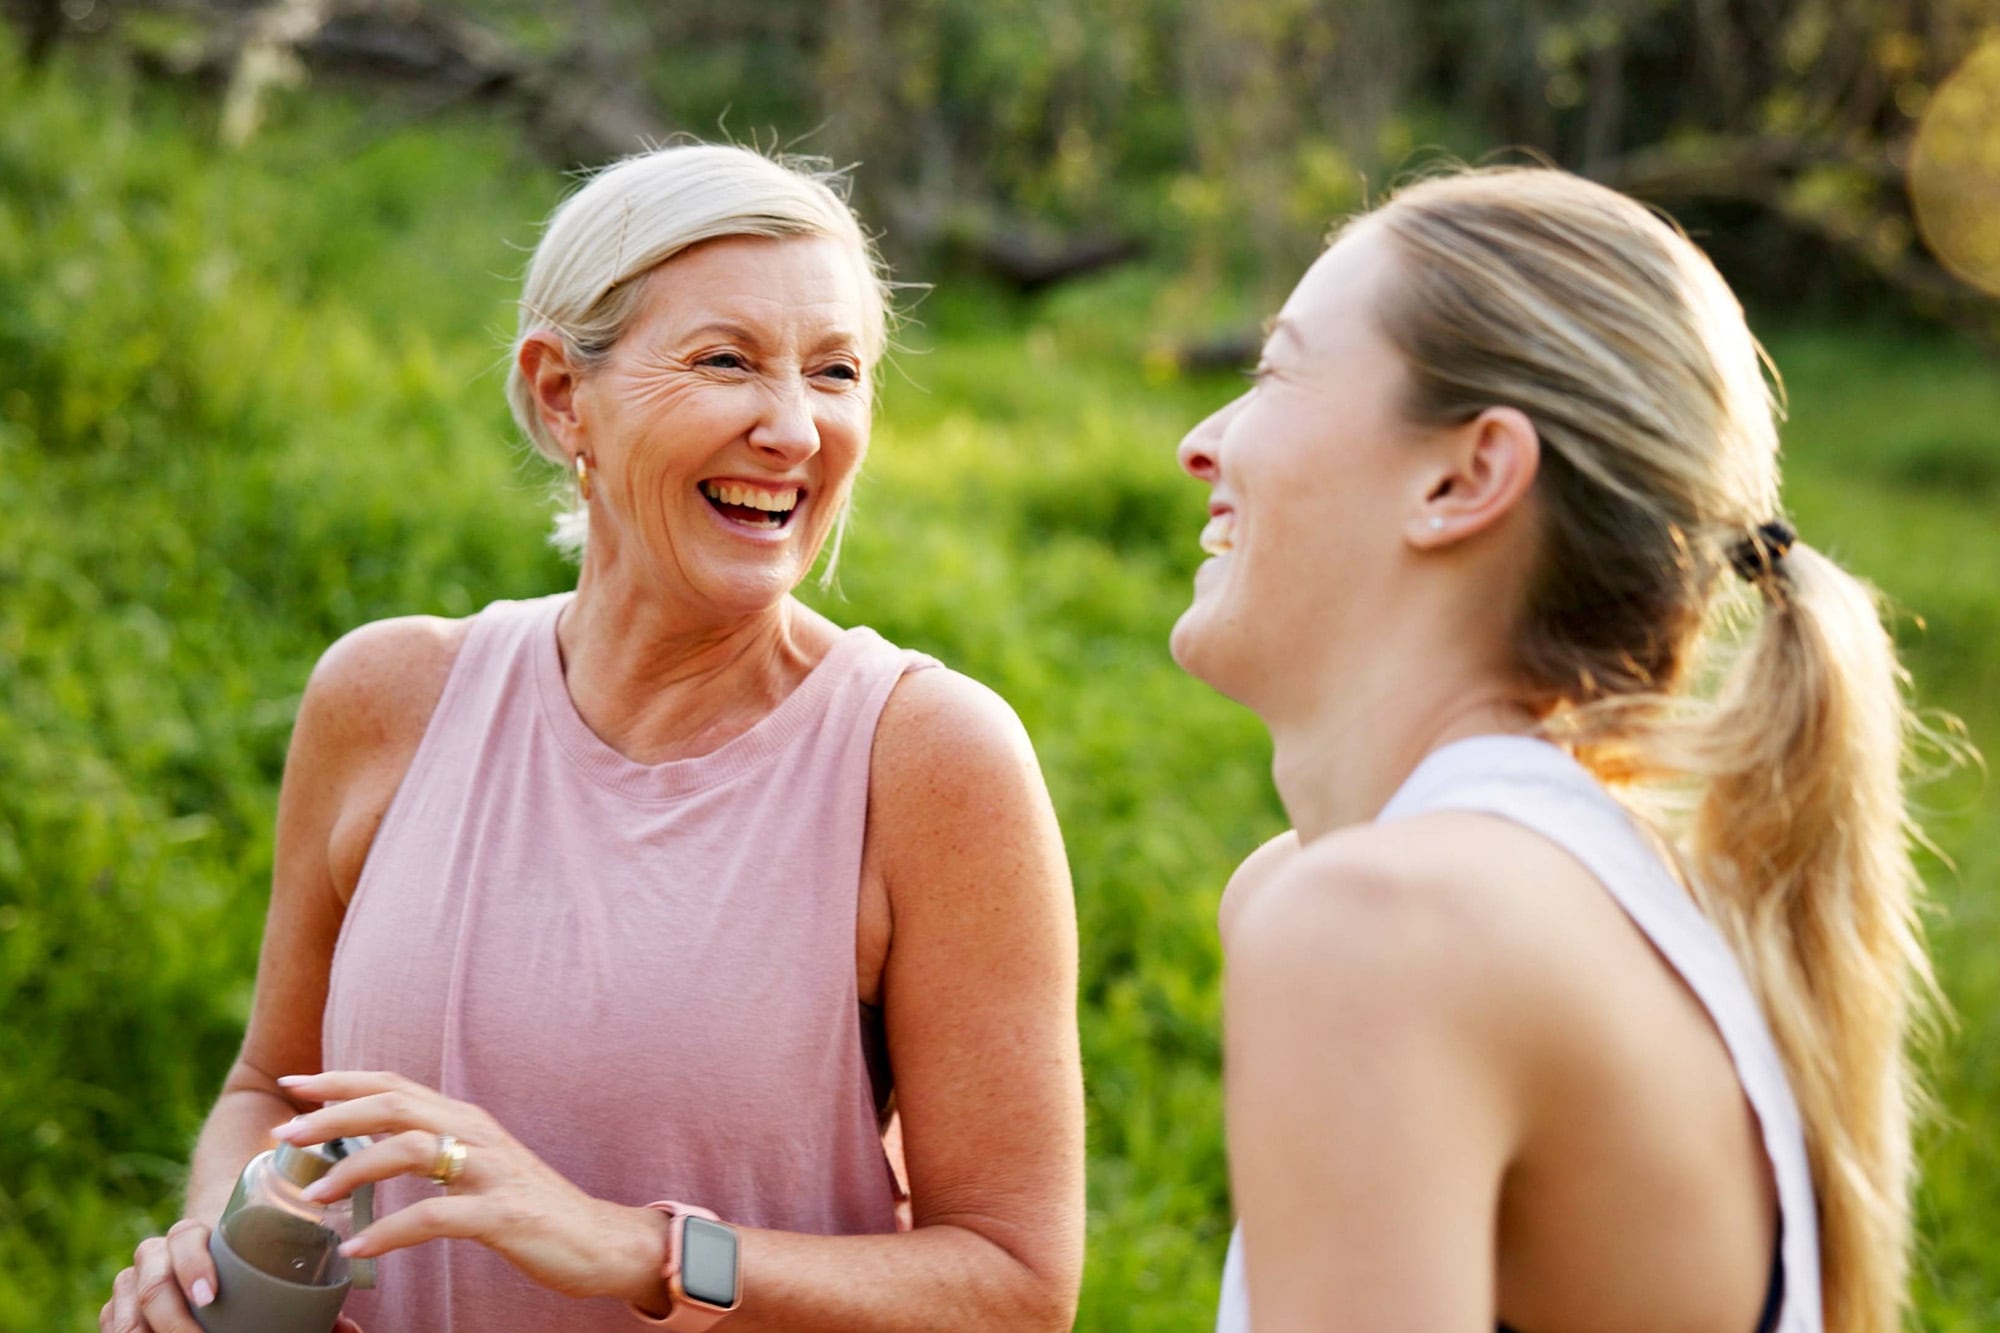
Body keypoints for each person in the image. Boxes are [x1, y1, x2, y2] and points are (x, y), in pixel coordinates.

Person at [102, 143, 1084, 1333]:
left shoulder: (926, 757)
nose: (793, 428)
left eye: (835, 372)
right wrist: (219, 1258)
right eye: (725, 361)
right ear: (565, 393)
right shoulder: (383, 696)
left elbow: (1014, 1288)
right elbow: (271, 1090)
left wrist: (630, 1248)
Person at [1175, 165, 1936, 1333]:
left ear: (1463, 475)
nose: (1199, 441)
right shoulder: (1588, 904)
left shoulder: (1388, 926)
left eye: (1273, 371)